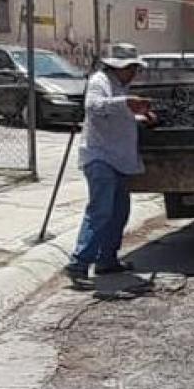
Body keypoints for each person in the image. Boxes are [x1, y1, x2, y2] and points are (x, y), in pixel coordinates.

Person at [65, 44, 156, 289]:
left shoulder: (119, 86)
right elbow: (94, 107)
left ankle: (107, 259)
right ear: (121, 67)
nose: (135, 73)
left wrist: (139, 118)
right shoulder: (99, 81)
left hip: (118, 159)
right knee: (100, 212)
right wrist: (127, 103)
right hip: (100, 157)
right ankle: (79, 263)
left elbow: (117, 116)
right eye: (133, 68)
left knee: (119, 212)